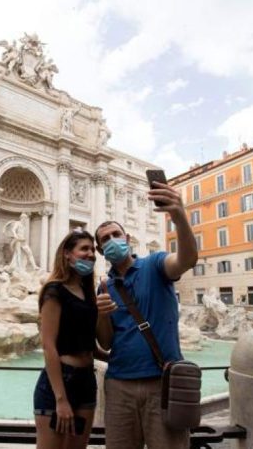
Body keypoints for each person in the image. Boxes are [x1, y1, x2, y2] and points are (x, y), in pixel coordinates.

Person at [94, 180, 198, 449]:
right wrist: (101, 315)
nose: (112, 241)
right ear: (100, 250)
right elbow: (105, 343)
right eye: (105, 239)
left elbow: (186, 260)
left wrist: (179, 218)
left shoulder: (155, 265)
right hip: (118, 384)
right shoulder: (104, 286)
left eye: (116, 235)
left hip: (161, 381)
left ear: (127, 239)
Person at [33, 229, 117, 449]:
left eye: (92, 250)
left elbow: (93, 346)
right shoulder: (54, 291)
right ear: (67, 254)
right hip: (59, 383)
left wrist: (119, 358)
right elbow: (49, 347)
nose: (91, 254)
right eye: (84, 249)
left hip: (86, 381)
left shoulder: (89, 293)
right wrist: (61, 399)